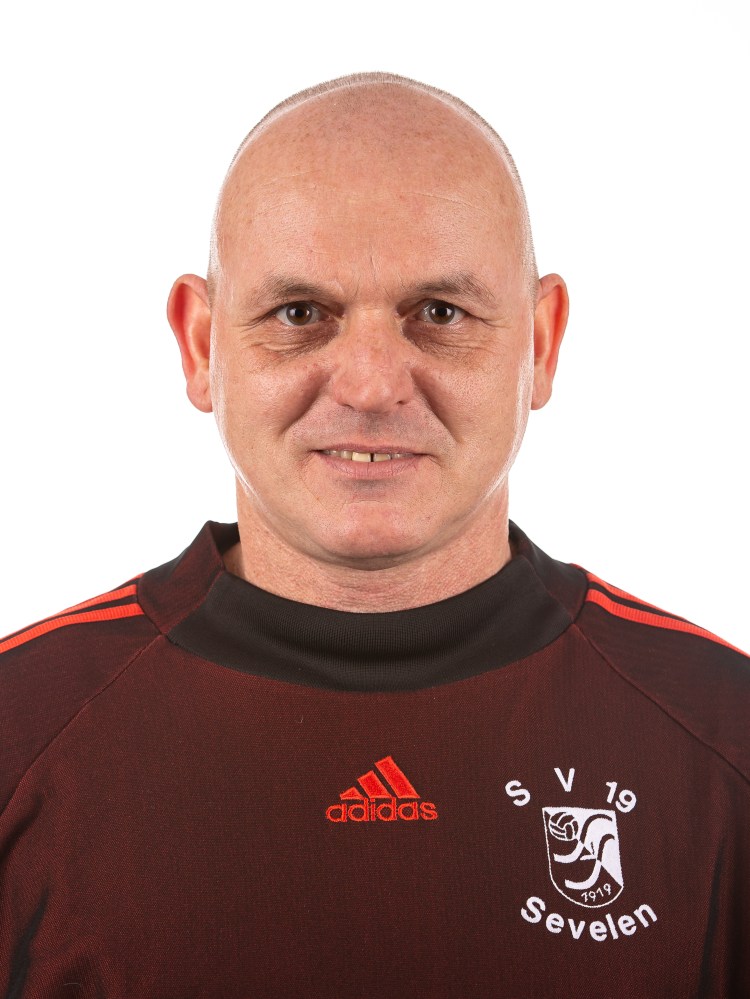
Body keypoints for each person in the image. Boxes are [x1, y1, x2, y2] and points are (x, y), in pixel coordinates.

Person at [1, 72, 748, 998]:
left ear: (541, 342)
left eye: (440, 313)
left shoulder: (727, 739)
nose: (369, 384)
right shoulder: (19, 731)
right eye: (299, 314)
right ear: (200, 345)